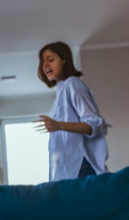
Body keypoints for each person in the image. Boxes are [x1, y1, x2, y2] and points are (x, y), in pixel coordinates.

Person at [34, 41, 109, 181]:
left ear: (64, 60)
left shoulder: (73, 83)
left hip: (80, 167)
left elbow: (94, 125)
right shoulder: (61, 91)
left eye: (50, 60)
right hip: (69, 168)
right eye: (43, 62)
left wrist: (59, 125)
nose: (45, 65)